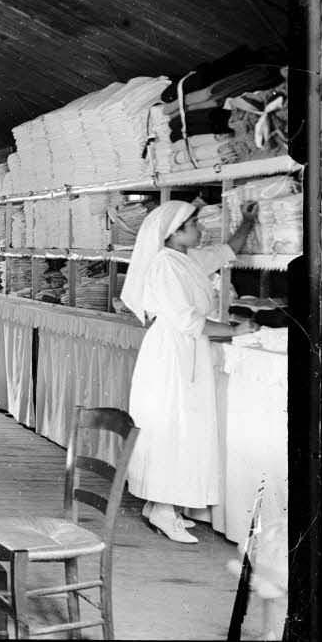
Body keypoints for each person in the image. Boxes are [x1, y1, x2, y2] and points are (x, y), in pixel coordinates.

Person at [121, 200, 258, 543]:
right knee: (174, 424)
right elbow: (187, 320)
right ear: (175, 232)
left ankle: (159, 505)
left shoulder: (186, 259)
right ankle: (165, 510)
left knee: (184, 425)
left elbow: (227, 251)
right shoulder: (165, 266)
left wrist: (247, 221)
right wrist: (234, 331)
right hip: (172, 355)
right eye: (195, 224)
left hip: (186, 352)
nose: (202, 229)